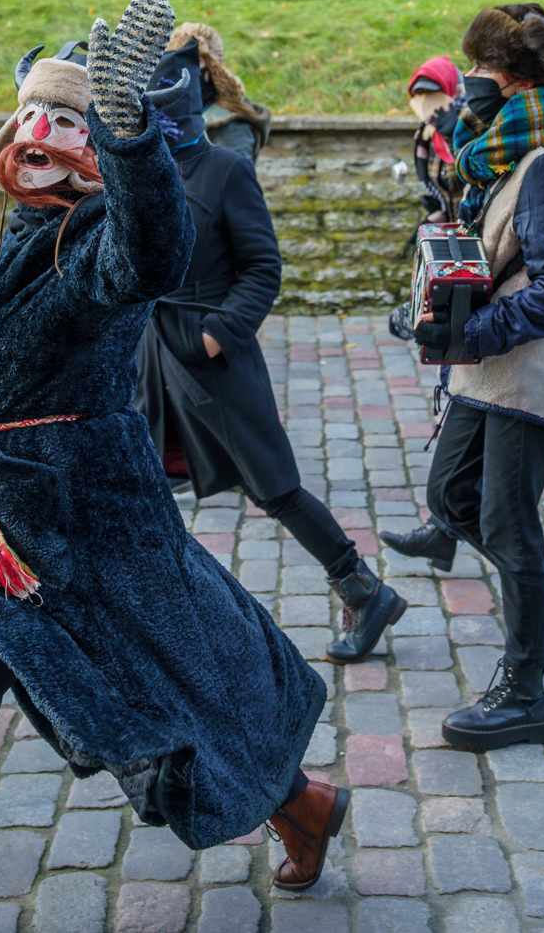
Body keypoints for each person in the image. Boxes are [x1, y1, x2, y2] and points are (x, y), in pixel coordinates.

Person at [0, 0, 343, 933]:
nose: (42, 136)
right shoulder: (29, 232)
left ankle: (301, 805)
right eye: (33, 117)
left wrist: (131, 136)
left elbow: (154, 253)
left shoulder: (97, 235)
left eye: (68, 124)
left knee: (178, 688)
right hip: (0, 527)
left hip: (84, 527)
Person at [398, 5, 544, 752]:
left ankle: (524, 692)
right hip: (486, 364)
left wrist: (470, 331)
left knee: (507, 523)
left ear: (515, 83)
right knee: (450, 497)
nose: (468, 89)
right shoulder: (504, 158)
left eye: (481, 76)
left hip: (524, 370)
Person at [132, 40, 405, 664]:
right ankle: (163, 625)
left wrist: (217, 333)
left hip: (211, 360)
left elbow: (262, 268)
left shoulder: (226, 169)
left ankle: (364, 590)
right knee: (142, 483)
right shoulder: (139, 173)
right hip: (150, 359)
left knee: (274, 487)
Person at [170, 21, 273, 163]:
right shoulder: (170, 114)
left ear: (213, 67)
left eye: (195, 59)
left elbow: (236, 181)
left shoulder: (231, 127)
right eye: (179, 58)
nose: (185, 67)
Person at [408, 55, 466, 224]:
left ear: (451, 90)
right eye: (421, 94)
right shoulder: (428, 132)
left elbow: (479, 172)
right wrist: (438, 211)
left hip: (476, 230)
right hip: (452, 228)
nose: (426, 100)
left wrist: (457, 135)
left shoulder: (475, 121)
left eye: (432, 93)